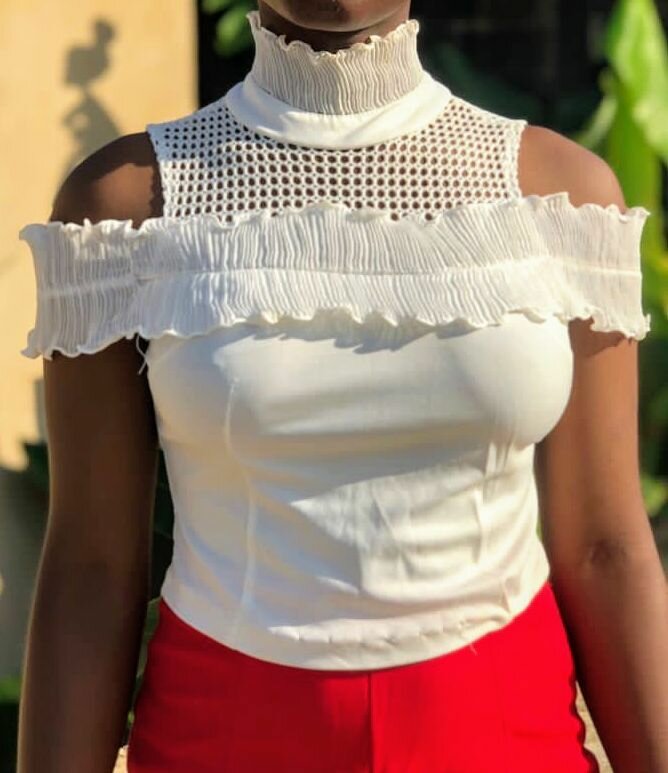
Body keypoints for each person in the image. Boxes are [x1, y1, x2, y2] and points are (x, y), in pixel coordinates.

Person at [15, 1, 668, 771]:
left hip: (508, 739)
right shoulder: (122, 210)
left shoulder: (562, 198)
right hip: (220, 742)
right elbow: (91, 569)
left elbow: (605, 549)